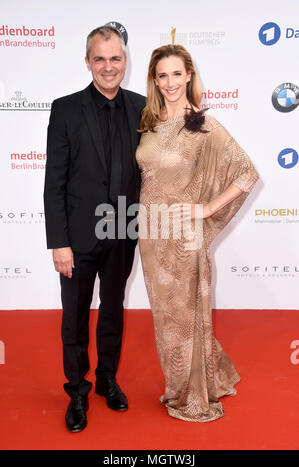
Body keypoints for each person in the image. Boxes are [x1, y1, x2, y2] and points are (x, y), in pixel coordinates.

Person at [136, 44, 259, 422]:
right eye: (162, 75)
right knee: (165, 315)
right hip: (150, 234)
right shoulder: (150, 123)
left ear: (189, 75)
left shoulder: (203, 125)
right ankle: (194, 379)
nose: (170, 82)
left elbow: (247, 173)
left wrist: (206, 209)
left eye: (177, 74)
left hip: (183, 237)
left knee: (184, 315)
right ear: (154, 80)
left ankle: (190, 394)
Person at [44, 25, 145, 432]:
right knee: (74, 317)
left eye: (115, 58)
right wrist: (59, 243)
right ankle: (77, 390)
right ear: (88, 62)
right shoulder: (65, 109)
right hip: (79, 238)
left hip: (124, 231)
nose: (108, 66)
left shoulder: (141, 108)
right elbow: (55, 182)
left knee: (113, 312)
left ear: (125, 61)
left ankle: (106, 379)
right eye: (99, 59)